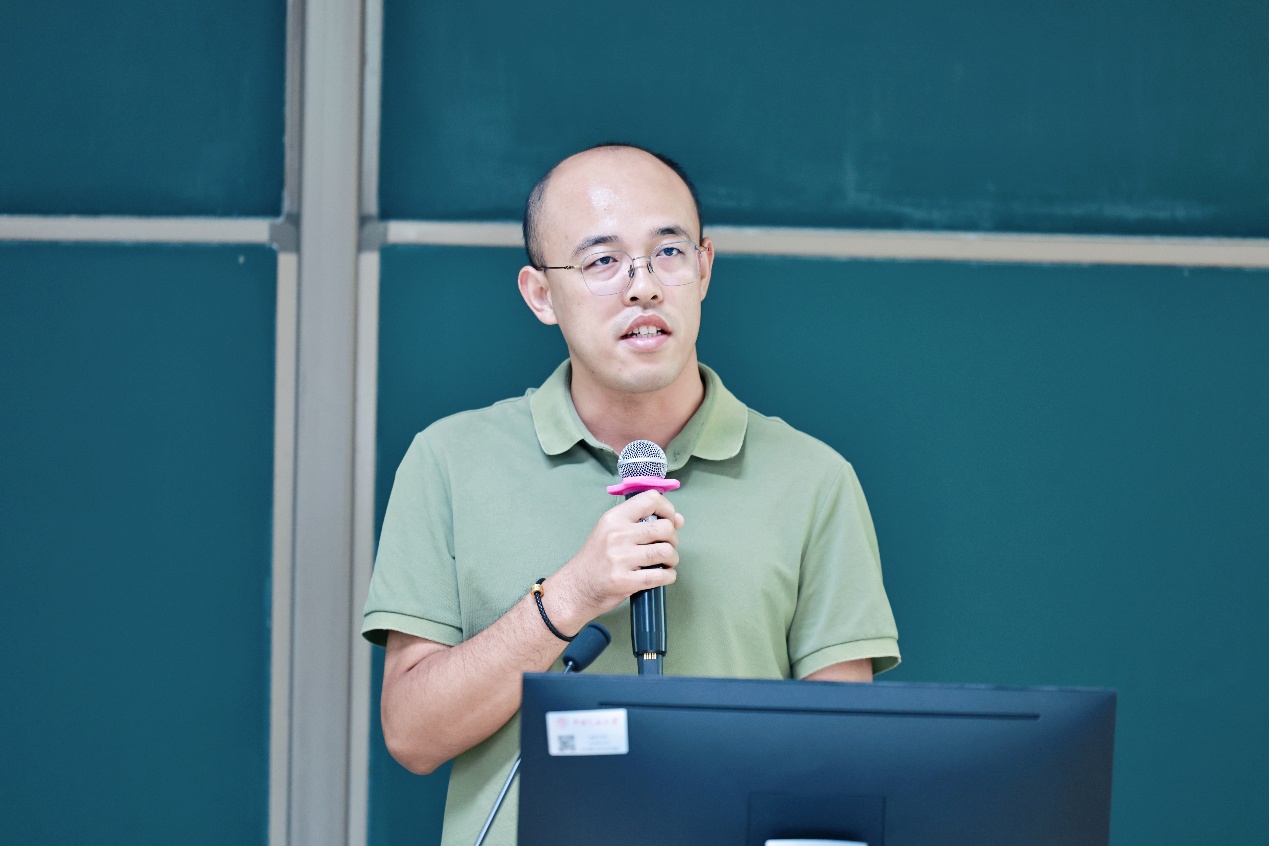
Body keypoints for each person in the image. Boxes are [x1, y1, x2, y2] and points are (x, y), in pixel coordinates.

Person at [362, 143, 900, 846]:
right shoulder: (448, 460)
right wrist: (570, 596)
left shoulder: (813, 479)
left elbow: (842, 764)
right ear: (540, 294)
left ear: (704, 268)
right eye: (601, 261)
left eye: (668, 252)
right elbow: (412, 736)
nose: (642, 286)